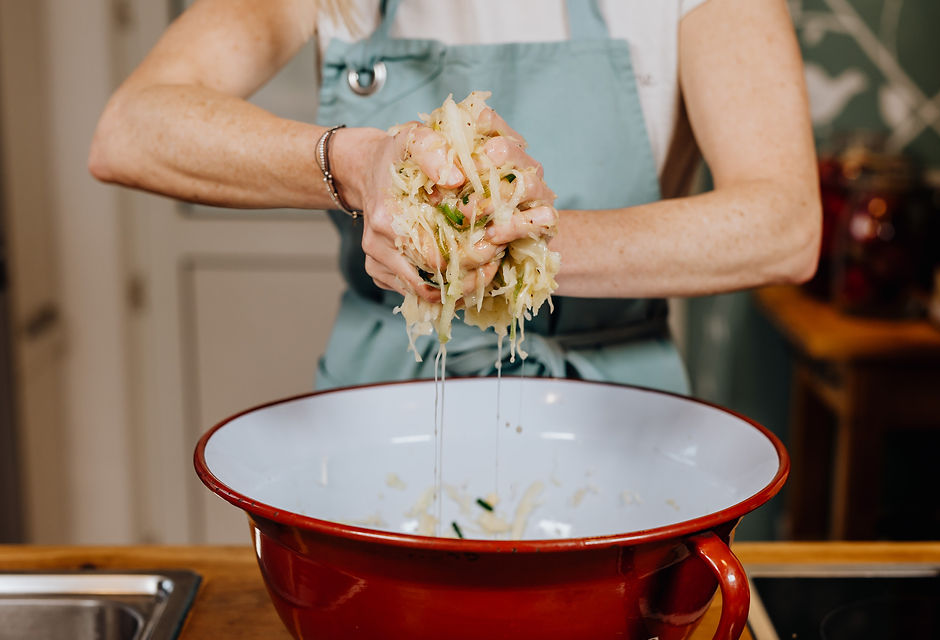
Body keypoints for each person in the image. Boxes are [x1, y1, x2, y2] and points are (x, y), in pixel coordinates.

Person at [89, 0, 820, 394]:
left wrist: (510, 244)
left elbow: (784, 223)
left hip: (618, 403)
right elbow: (132, 128)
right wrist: (357, 161)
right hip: (381, 396)